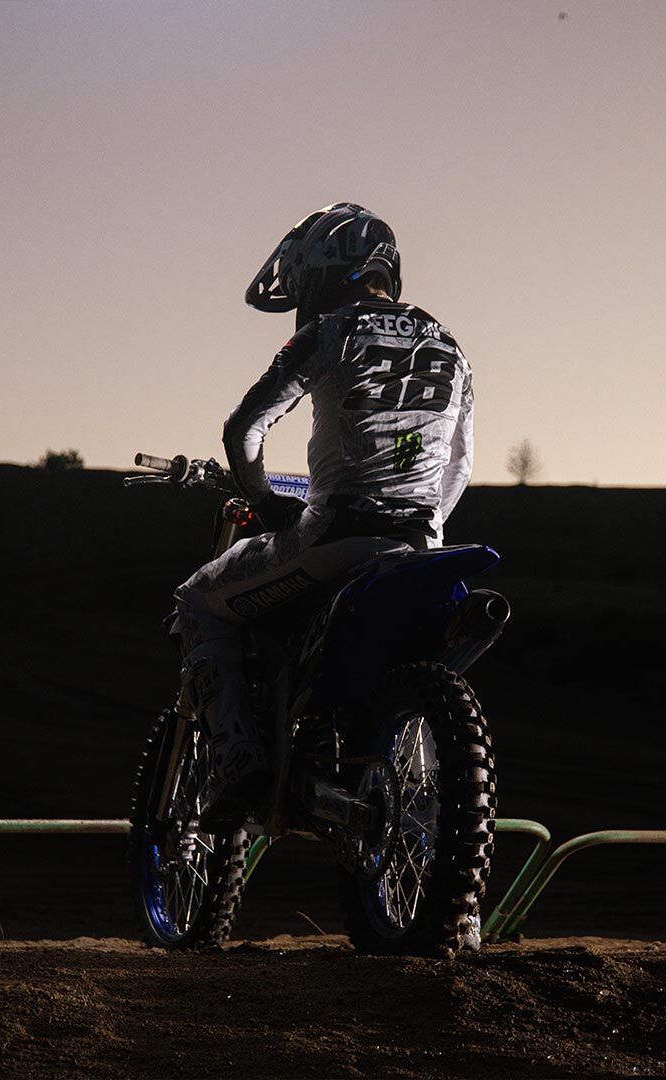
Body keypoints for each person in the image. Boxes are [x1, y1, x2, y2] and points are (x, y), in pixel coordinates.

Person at [174, 202, 474, 818]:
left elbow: (243, 430)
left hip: (335, 536)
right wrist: (423, 526)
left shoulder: (329, 331)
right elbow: (458, 467)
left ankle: (239, 763)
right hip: (421, 544)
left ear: (326, 271)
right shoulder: (452, 347)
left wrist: (264, 502)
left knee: (198, 600)